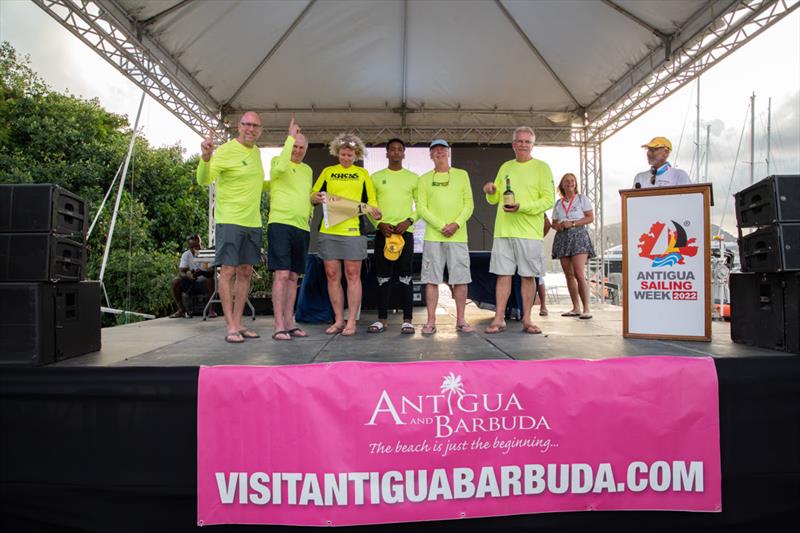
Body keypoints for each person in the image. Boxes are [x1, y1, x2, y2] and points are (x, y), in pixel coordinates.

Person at [196, 111, 264, 344]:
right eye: (247, 124)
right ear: (239, 126)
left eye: (255, 125)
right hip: (230, 221)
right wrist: (206, 158)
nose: (251, 129)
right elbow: (204, 180)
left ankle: (239, 322)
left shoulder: (256, 152)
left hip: (253, 222)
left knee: (245, 272)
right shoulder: (224, 151)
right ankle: (230, 326)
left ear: (260, 130)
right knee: (228, 271)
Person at [482, 126, 554, 335]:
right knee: (502, 275)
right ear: (513, 144)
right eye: (519, 141)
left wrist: (522, 206)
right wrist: (490, 192)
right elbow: (495, 198)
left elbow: (548, 200)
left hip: (530, 233)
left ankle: (528, 319)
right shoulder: (505, 166)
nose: (523, 144)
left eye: (527, 142)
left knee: (528, 276)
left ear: (532, 145)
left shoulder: (542, 168)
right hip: (503, 231)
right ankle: (499, 319)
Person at [310, 133, 381, 337]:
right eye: (343, 154)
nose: (346, 158)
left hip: (353, 230)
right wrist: (315, 197)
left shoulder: (362, 174)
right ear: (337, 153)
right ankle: (339, 320)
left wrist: (374, 210)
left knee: (353, 275)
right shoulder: (328, 171)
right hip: (328, 230)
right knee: (332, 275)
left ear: (356, 155)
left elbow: (371, 201)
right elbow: (313, 195)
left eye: (350, 155)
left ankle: (351, 321)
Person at [417, 139, 475, 334]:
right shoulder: (424, 179)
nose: (439, 152)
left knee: (460, 279)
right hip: (434, 237)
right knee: (431, 279)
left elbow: (469, 204)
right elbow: (422, 208)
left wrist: (456, 224)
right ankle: (431, 321)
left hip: (458, 236)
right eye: (435, 150)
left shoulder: (461, 175)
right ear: (431, 155)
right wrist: (442, 226)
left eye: (443, 149)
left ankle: (461, 319)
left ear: (448, 152)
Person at [266, 118, 313, 341]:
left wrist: (313, 202)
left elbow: (304, 196)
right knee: (282, 274)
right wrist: (290, 137)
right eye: (294, 146)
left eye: (301, 147)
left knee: (294, 276)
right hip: (280, 224)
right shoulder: (278, 160)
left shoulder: (307, 170)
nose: (297, 150)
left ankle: (290, 321)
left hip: (301, 227)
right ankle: (278, 325)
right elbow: (282, 167)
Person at [369, 138, 419, 335]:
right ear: (387, 153)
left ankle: (407, 320)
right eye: (392, 149)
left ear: (404, 154)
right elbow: (370, 207)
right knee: (382, 277)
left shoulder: (413, 178)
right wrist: (378, 224)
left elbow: (420, 206)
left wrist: (409, 221)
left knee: (406, 276)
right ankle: (382, 319)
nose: (396, 152)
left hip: (405, 234)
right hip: (383, 232)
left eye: (400, 149)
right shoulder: (375, 177)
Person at [551, 173, 595, 319]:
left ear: (575, 184)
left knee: (579, 273)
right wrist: (558, 226)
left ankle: (586, 308)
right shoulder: (558, 203)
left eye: (572, 181)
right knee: (568, 274)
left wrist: (574, 223)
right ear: (562, 185)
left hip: (578, 235)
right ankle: (576, 307)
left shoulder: (582, 199)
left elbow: (590, 217)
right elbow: (554, 222)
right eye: (566, 181)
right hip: (563, 237)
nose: (569, 183)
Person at [169, 234, 216, 318]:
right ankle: (181, 310)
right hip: (191, 283)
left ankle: (211, 310)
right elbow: (181, 271)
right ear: (189, 246)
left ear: (201, 244)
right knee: (175, 281)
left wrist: (201, 272)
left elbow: (211, 273)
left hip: (205, 283)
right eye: (192, 247)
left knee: (210, 280)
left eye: (197, 246)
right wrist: (189, 276)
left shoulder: (206, 254)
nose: (195, 249)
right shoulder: (186, 255)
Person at [533, 214, 551, 317]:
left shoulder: (538, 204)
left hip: (534, 244)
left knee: (538, 277)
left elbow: (548, 224)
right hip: (517, 242)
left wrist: (539, 236)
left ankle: (543, 305)